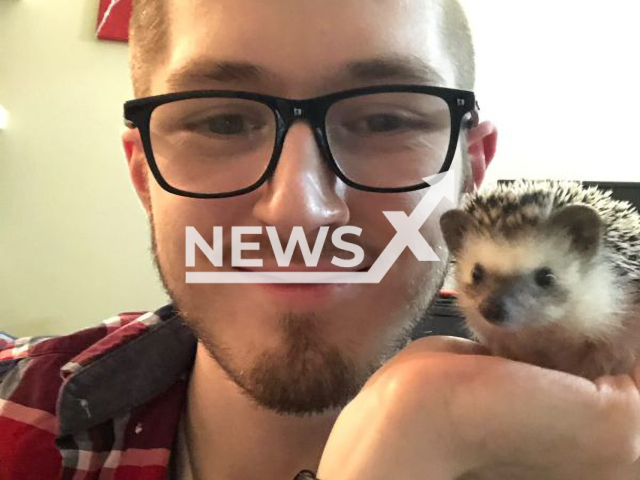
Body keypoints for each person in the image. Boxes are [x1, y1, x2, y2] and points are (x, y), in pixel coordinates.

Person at [2, 0, 640, 479]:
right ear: (144, 174)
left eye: (385, 119)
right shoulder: (17, 412)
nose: (299, 214)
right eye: (223, 121)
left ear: (469, 172)